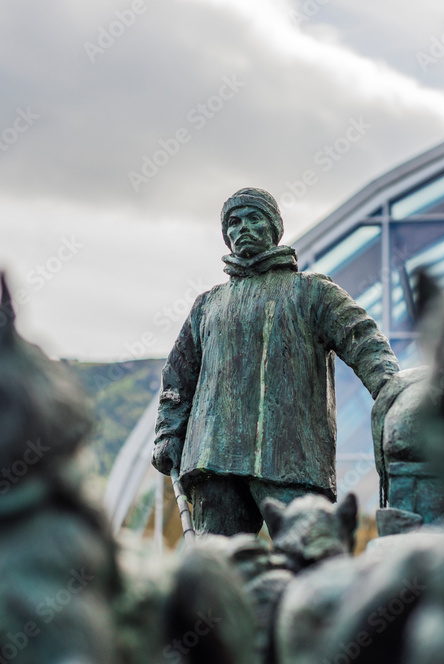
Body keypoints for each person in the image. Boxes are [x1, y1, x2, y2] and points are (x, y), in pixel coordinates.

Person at [151, 187, 398, 536]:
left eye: (254, 218)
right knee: (221, 570)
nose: (242, 229)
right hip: (213, 460)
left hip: (291, 458)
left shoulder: (312, 291)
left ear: (274, 228)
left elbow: (363, 340)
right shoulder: (207, 305)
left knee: (308, 556)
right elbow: (176, 379)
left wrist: (393, 391)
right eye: (233, 223)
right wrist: (168, 434)